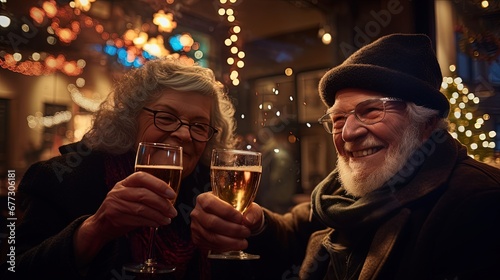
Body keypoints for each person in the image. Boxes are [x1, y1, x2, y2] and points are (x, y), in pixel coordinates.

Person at [190, 33, 500, 279]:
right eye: (338, 119)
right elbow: (293, 234)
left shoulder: (480, 201)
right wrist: (255, 223)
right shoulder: (338, 194)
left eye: (371, 111)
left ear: (426, 122)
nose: (348, 133)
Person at [0, 58, 237, 279]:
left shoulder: (208, 190)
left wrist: (257, 226)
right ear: (130, 119)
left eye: (199, 125)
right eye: (165, 117)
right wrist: (95, 229)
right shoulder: (60, 178)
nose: (184, 134)